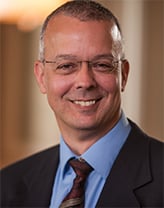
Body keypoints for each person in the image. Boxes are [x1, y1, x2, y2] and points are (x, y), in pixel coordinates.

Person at [1, 0, 163, 207]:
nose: (85, 82)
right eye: (66, 65)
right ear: (41, 77)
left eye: (102, 65)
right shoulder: (7, 185)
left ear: (123, 74)